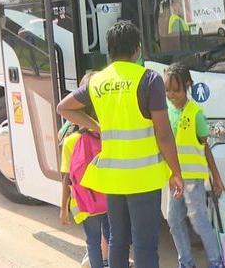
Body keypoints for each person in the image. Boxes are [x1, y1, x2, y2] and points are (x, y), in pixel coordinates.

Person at [57, 21, 184, 268]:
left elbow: (64, 107)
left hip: (113, 179)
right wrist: (176, 172)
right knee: (145, 245)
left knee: (118, 241)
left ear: (110, 50)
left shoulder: (97, 81)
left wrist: (96, 126)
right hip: (143, 178)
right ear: (137, 49)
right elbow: (164, 133)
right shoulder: (149, 79)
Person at [163, 62, 225, 268]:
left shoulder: (196, 113)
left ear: (188, 85)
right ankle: (186, 262)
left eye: (176, 90)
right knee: (174, 221)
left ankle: (216, 262)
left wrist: (215, 176)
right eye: (168, 90)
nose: (171, 94)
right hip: (174, 177)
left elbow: (205, 147)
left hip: (193, 178)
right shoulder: (166, 112)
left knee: (198, 221)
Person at [60, 73, 110, 268]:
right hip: (109, 198)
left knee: (92, 242)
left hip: (85, 203)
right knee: (112, 237)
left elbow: (66, 178)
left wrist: (63, 208)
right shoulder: (108, 135)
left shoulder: (71, 141)